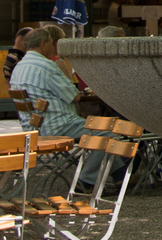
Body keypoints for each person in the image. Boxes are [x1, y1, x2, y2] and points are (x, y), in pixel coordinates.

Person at [9, 28, 109, 190]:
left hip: (34, 127)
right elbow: (74, 96)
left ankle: (119, 176)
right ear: (43, 44)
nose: (54, 47)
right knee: (107, 132)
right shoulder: (46, 66)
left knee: (103, 131)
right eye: (51, 43)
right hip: (58, 125)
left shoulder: (19, 68)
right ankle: (87, 180)